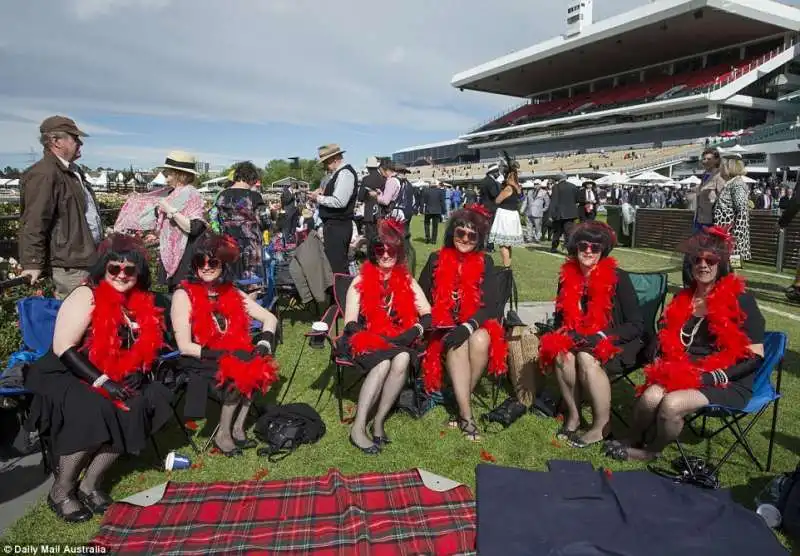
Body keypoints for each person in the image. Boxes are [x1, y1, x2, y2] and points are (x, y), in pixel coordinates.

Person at [25, 234, 173, 522]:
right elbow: (64, 348)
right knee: (95, 408)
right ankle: (62, 490)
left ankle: (90, 484)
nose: (121, 274)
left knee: (141, 403)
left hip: (111, 374)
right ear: (103, 270)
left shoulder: (139, 302)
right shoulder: (87, 295)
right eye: (114, 268)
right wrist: (103, 382)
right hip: (65, 372)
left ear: (138, 273)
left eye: (129, 270)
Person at [606, 227, 765, 462]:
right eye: (697, 260)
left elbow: (755, 356)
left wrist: (711, 378)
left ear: (721, 264)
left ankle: (652, 451)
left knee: (671, 404)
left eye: (710, 260)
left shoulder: (742, 300)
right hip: (682, 370)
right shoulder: (684, 298)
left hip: (725, 379)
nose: (703, 265)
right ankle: (633, 438)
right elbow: (670, 333)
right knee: (649, 398)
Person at [171, 233, 279, 457]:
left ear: (223, 265)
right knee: (240, 368)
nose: (206, 267)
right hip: (199, 357)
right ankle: (223, 434)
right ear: (194, 266)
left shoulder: (231, 291)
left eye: (213, 262)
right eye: (201, 263)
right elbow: (184, 346)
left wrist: (265, 342)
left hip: (231, 351)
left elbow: (270, 318)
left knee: (258, 362)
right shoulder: (183, 295)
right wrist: (227, 354)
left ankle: (238, 427)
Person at [539, 222, 643, 448]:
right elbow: (560, 319)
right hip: (580, 339)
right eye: (583, 246)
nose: (588, 251)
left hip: (617, 341)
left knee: (586, 357)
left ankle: (601, 426)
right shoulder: (566, 277)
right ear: (575, 248)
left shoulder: (619, 278)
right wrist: (564, 333)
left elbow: (637, 325)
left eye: (595, 248)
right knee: (561, 354)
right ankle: (574, 416)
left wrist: (600, 336)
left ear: (602, 251)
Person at [338, 219, 431, 453]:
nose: (386, 255)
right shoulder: (360, 281)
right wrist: (377, 339)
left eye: (392, 250)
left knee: (401, 358)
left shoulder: (406, 280)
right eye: (380, 250)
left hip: (396, 341)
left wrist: (413, 331)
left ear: (399, 253)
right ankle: (358, 428)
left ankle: (379, 420)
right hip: (363, 339)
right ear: (373, 252)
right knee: (382, 363)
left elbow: (427, 314)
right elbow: (350, 322)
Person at [418, 204, 508, 443]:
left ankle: (460, 401)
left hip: (473, 324)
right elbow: (422, 299)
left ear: (479, 239)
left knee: (479, 340)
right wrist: (435, 321)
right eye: (461, 233)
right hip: (441, 327)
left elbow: (490, 305)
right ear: (452, 233)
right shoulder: (436, 259)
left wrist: (468, 326)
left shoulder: (485, 262)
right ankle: (467, 416)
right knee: (456, 343)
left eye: (472, 235)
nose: (465, 238)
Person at [19, 116, 102, 298]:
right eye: (74, 138)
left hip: (84, 257)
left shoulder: (72, 170)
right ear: (55, 141)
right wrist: (32, 263)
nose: (80, 143)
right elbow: (34, 220)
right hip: (70, 263)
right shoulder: (44, 173)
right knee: (75, 316)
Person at [213, 161, 267, 283]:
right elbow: (265, 222)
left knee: (229, 282)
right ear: (251, 178)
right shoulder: (255, 196)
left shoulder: (222, 195)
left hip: (227, 244)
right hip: (251, 245)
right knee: (252, 283)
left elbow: (213, 220)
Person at [309, 144, 358, 275]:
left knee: (337, 268)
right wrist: (322, 193)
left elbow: (340, 201)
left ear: (335, 158)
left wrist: (318, 198)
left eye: (326, 162)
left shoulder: (345, 174)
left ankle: (341, 294)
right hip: (334, 226)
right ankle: (339, 292)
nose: (325, 165)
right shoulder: (339, 174)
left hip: (338, 226)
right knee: (335, 265)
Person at [713, 152, 751, 268]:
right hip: (724, 237)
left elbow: (742, 211)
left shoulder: (737, 185)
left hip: (732, 240)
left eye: (722, 165)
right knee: (724, 270)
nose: (719, 168)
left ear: (729, 167)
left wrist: (735, 238)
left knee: (733, 271)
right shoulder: (730, 184)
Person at [488, 155, 524, 267]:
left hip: (505, 215)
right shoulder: (517, 187)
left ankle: (506, 266)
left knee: (503, 244)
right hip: (512, 214)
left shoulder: (508, 188)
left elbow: (498, 200)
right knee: (508, 244)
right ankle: (507, 265)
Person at [548, 173, 579, 253]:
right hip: (570, 213)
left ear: (558, 179)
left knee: (557, 232)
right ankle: (570, 251)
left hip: (559, 213)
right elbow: (577, 199)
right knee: (569, 233)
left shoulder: (556, 187)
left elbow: (554, 201)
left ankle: (554, 247)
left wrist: (551, 214)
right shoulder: (573, 186)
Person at [695, 148, 724, 232]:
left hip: (711, 221)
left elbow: (723, 198)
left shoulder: (719, 176)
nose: (705, 161)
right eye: (704, 159)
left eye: (709, 159)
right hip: (699, 219)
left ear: (716, 160)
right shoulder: (704, 175)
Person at [359, 156, 384, 243]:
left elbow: (360, 197)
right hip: (381, 211)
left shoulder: (366, 179)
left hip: (369, 212)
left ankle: (371, 255)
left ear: (368, 167)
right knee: (381, 237)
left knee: (370, 238)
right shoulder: (383, 179)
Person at [479, 164, 503, 251]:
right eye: (497, 172)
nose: (498, 174)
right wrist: (499, 184)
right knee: (491, 228)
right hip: (491, 207)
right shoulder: (492, 182)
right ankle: (489, 246)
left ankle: (481, 245)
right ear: (493, 172)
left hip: (484, 207)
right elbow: (495, 194)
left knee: (484, 228)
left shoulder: (483, 181)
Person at [280, 180, 298, 245]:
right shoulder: (285, 191)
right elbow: (286, 201)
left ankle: (292, 238)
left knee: (294, 226)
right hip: (288, 211)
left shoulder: (295, 192)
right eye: (295, 185)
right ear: (291, 185)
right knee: (287, 226)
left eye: (296, 186)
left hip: (295, 210)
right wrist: (293, 195)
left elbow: (295, 200)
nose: (295, 187)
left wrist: (297, 199)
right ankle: (287, 240)